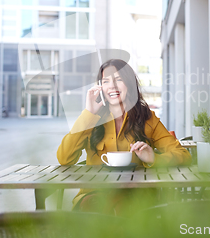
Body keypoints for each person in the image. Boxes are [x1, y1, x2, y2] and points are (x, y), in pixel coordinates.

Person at [57, 59, 191, 214]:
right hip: (95, 194)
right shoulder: (91, 119)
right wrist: (89, 113)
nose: (112, 86)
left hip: (137, 194)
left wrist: (153, 158)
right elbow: (64, 158)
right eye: (106, 81)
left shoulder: (148, 119)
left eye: (118, 79)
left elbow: (183, 155)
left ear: (130, 84)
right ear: (101, 88)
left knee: (123, 208)